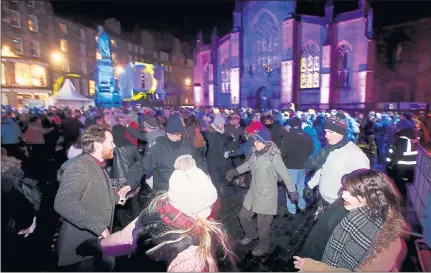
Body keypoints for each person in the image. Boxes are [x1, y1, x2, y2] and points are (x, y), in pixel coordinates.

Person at [76, 155, 235, 272]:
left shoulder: (152, 212)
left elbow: (123, 239)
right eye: (204, 206)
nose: (209, 210)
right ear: (188, 205)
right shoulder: (191, 250)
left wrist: (95, 246)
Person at [294, 169, 407, 272]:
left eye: (354, 193)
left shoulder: (385, 241)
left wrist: (311, 267)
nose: (344, 195)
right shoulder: (350, 211)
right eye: (345, 189)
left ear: (372, 198)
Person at [54, 124, 131, 271]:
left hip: (95, 246)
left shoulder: (96, 164)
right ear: (97, 145)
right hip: (83, 248)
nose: (114, 145)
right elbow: (64, 202)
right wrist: (100, 227)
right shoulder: (80, 167)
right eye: (111, 142)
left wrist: (115, 197)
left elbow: (95, 191)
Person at [225, 127, 298, 256]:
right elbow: (248, 165)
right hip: (253, 192)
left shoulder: (273, 156)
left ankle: (264, 246)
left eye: (257, 141)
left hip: (267, 195)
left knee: (263, 225)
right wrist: (235, 171)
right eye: (254, 140)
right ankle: (251, 234)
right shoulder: (254, 151)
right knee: (243, 216)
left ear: (265, 142)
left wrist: (292, 191)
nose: (254, 143)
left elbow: (285, 174)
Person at [304, 113, 370, 219]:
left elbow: (364, 184)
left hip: (341, 207)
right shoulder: (328, 149)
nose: (326, 135)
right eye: (326, 132)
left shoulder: (356, 154)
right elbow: (322, 169)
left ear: (342, 133)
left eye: (330, 132)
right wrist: (310, 185)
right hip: (323, 202)